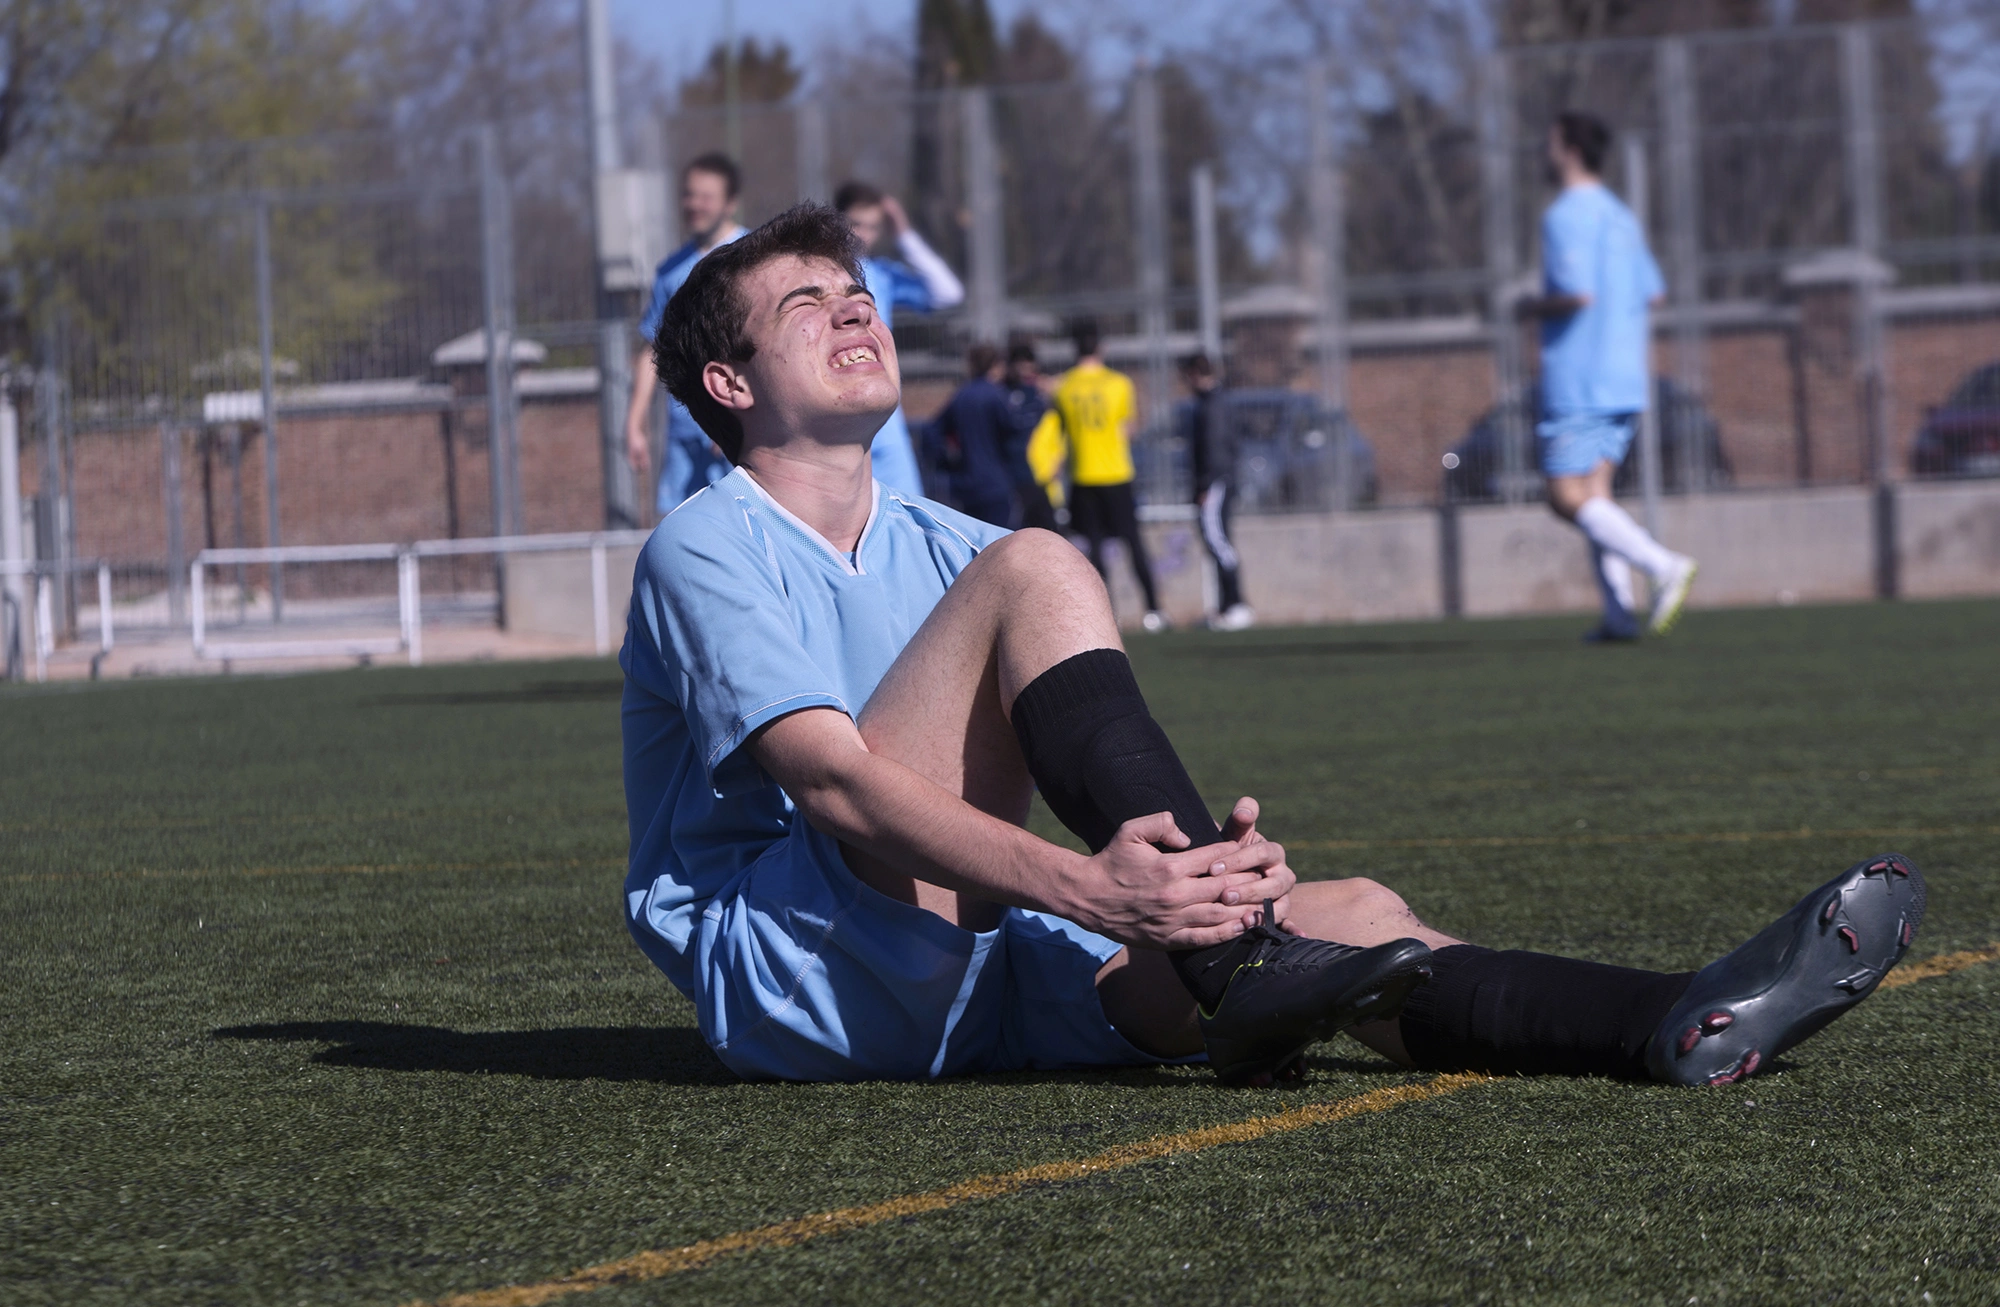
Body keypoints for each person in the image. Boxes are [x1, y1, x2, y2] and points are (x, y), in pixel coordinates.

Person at [623, 202, 1926, 1093]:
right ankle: (1232, 953)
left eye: (862, 293)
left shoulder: (944, 538)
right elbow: (837, 783)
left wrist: (1199, 882)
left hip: (982, 974)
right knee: (1041, 563)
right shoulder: (706, 542)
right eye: (808, 303)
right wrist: (1098, 891)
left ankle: (1669, 1019)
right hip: (802, 976)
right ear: (728, 384)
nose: (857, 311)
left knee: (1354, 918)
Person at [1518, 111, 1698, 643]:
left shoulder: (1566, 215)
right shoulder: (1621, 216)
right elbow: (1653, 292)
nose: (1545, 154)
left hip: (1580, 374)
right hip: (1624, 374)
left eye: (1550, 143)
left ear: (1570, 150)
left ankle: (1663, 566)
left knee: (1564, 496)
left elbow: (1577, 293)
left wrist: (1528, 307)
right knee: (1596, 492)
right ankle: (1618, 616)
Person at [624, 153, 749, 514]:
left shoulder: (754, 259)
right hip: (684, 435)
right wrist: (635, 423)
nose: (694, 205)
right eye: (688, 195)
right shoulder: (669, 271)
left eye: (706, 197)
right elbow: (653, 350)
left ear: (730, 202)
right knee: (680, 535)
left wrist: (733, 415)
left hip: (744, 432)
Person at [836, 180, 965, 497]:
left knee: (908, 512)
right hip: (836, 415)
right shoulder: (818, 274)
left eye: (872, 227)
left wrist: (904, 233)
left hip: (885, 419)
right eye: (855, 224)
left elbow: (949, 293)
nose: (862, 235)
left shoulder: (880, 273)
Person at [1048, 317, 1169, 633]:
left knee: (1095, 548)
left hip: (1083, 477)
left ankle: (1105, 616)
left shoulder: (1064, 387)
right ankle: (1154, 611)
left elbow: (1056, 431)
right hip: (1117, 474)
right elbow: (1128, 428)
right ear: (1100, 347)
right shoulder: (1120, 383)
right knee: (1133, 542)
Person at [1181, 353, 1253, 631]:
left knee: (1218, 541)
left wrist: (1205, 484)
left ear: (1194, 374)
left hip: (1215, 482)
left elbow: (1214, 448)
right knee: (1218, 540)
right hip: (1219, 480)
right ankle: (1226, 607)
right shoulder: (1213, 402)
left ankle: (1236, 605)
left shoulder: (1212, 405)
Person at [925, 344, 1017, 528]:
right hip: (995, 483)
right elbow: (1013, 433)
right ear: (996, 365)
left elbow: (931, 431)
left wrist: (945, 462)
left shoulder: (961, 395)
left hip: (966, 483)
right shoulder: (998, 396)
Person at [1001, 341, 1059, 532]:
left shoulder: (1040, 396)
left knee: (1049, 530)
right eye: (1021, 365)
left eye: (1029, 365)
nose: (1026, 371)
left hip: (1039, 474)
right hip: (1014, 474)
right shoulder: (1003, 394)